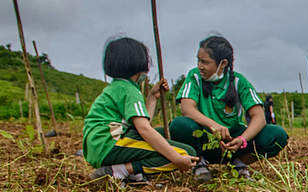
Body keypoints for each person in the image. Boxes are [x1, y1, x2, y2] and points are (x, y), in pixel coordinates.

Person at [170, 36, 289, 181]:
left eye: (205, 62)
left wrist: (241, 139)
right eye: (198, 60)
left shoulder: (239, 81)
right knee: (179, 125)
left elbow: (259, 117)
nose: (200, 66)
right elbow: (187, 108)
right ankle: (199, 162)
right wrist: (213, 126)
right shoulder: (194, 77)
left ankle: (238, 163)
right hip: (205, 139)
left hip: (233, 142)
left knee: (277, 135)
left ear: (223, 63)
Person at [83, 37, 198, 184]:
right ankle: (119, 171)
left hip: (98, 146)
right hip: (110, 144)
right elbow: (144, 129)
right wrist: (177, 159)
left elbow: (142, 125)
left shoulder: (116, 87)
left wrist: (152, 97)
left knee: (161, 135)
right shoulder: (130, 90)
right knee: (186, 153)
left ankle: (131, 174)